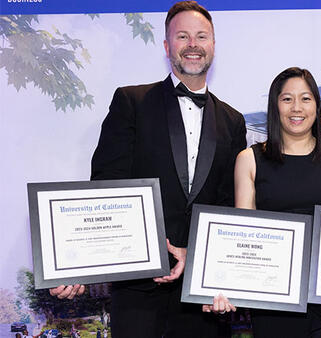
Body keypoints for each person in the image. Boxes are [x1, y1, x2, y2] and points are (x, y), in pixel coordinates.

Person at [48, 1, 247, 337]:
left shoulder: (233, 120)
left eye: (201, 36)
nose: (193, 45)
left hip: (201, 296)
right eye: (182, 36)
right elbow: (106, 188)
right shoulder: (131, 102)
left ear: (213, 45)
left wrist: (194, 254)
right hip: (138, 289)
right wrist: (76, 263)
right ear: (167, 46)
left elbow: (228, 206)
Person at [228, 67, 321, 338]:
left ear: (317, 107)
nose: (296, 107)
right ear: (275, 107)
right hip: (273, 298)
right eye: (287, 99)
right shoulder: (249, 160)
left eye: (306, 98)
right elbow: (244, 239)